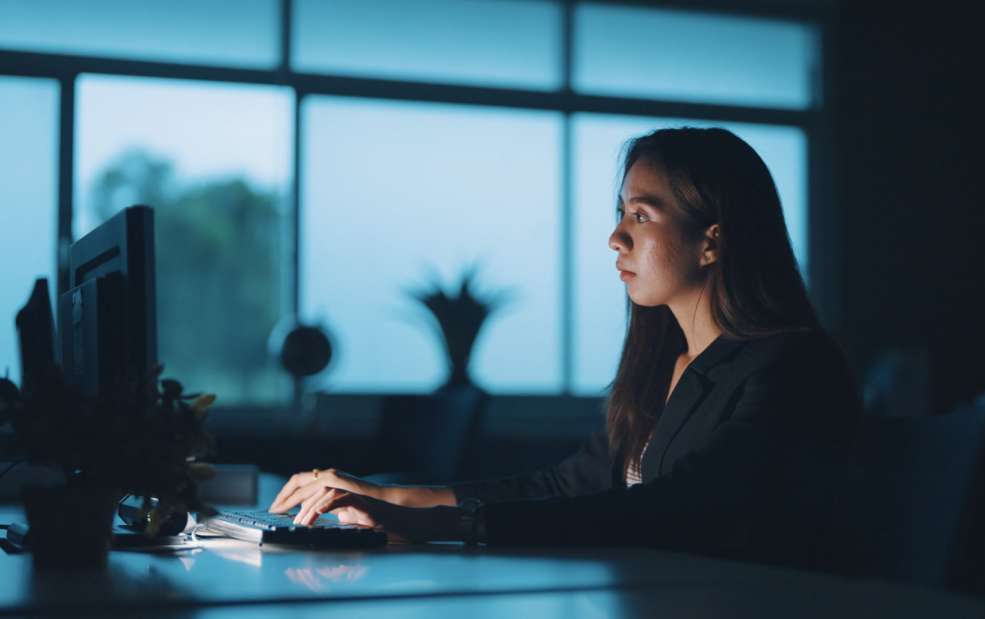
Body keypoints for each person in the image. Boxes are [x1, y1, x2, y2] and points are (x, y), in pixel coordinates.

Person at [270, 127, 861, 569]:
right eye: (618, 213)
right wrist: (385, 496)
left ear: (712, 242)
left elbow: (677, 509)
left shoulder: (792, 367)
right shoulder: (661, 366)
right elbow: (558, 488)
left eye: (640, 215)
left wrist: (436, 524)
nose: (616, 237)